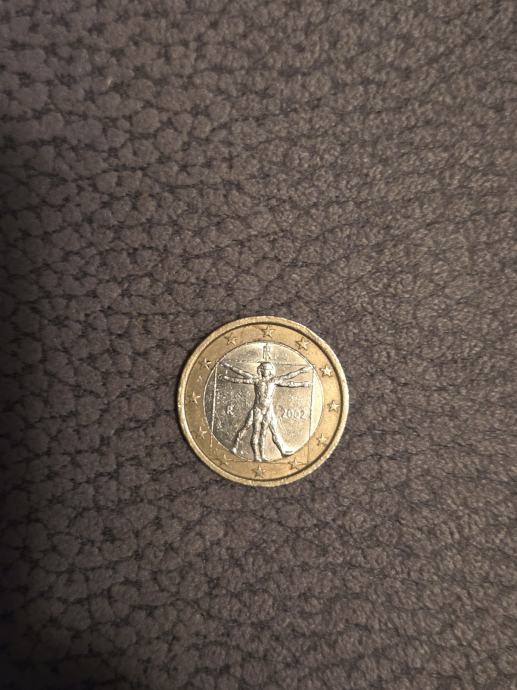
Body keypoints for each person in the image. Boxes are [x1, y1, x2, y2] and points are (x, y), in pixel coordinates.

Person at [221, 360, 312, 462]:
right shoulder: (257, 380)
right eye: (263, 369)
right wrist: (228, 370)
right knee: (254, 430)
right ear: (260, 370)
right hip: (257, 409)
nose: (265, 371)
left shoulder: (274, 381)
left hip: (268, 409)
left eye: (268, 369)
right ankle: (248, 451)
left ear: (271, 370)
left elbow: (288, 379)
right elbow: (242, 376)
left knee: (265, 432)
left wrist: (303, 378)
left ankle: (265, 454)